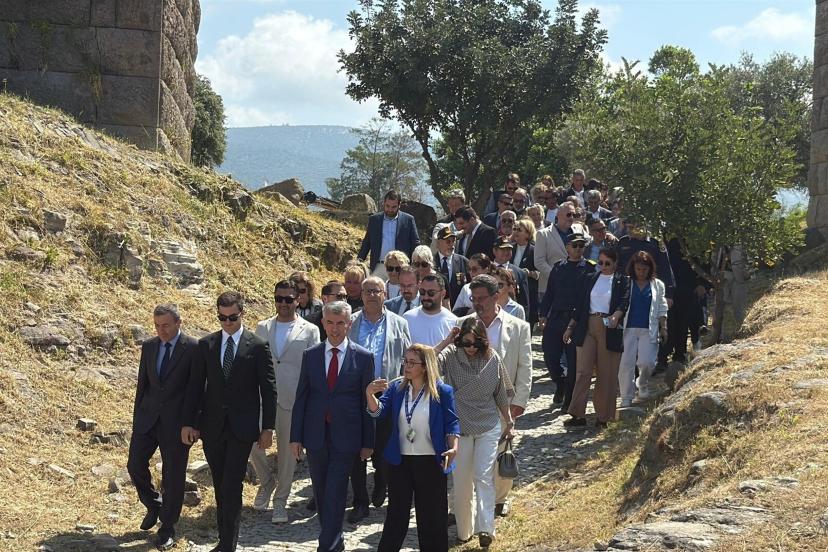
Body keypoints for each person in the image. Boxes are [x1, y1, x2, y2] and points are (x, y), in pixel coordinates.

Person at [182, 291, 277, 552]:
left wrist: (268, 428)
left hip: (242, 427)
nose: (227, 323)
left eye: (232, 318)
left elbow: (268, 390)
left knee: (232, 484)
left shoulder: (257, 345)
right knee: (220, 482)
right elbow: (195, 386)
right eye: (222, 318)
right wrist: (190, 422)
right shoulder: (206, 345)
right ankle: (224, 537)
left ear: (242, 313)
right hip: (212, 427)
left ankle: (228, 544)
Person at [290, 301, 375, 552]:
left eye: (340, 323)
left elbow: (367, 402)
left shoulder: (363, 357)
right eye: (330, 323)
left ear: (349, 324)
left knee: (335, 491)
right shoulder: (311, 355)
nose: (335, 329)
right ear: (323, 323)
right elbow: (302, 397)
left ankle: (326, 545)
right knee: (321, 491)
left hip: (346, 437)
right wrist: (295, 437)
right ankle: (335, 541)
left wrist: (368, 442)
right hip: (315, 435)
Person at [366, 345, 460, 552]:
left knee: (432, 518)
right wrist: (370, 395)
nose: (406, 366)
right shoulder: (397, 389)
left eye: (412, 363)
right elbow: (378, 413)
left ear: (425, 367)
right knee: (396, 516)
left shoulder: (442, 391)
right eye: (405, 361)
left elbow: (452, 422)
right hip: (400, 461)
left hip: (431, 462)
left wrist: (453, 447)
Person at [434, 317, 515, 548]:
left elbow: (500, 393)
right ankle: (464, 531)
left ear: (483, 342)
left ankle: (486, 528)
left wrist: (509, 421)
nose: (470, 348)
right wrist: (447, 340)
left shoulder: (492, 358)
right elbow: (428, 361)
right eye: (466, 343)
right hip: (460, 428)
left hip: (488, 425)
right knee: (461, 483)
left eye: (475, 343)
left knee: (483, 477)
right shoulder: (450, 356)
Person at [459, 274, 531, 518]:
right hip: (469, 403)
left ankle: (500, 499)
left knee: (501, 451)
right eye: (473, 298)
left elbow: (525, 366)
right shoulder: (462, 323)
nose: (477, 303)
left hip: (502, 401)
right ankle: (462, 504)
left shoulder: (518, 327)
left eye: (481, 298)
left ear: (496, 296)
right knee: (466, 456)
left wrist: (519, 401)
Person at [128, 304, 199, 551]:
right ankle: (153, 503)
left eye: (166, 325)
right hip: (147, 419)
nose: (161, 330)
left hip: (178, 424)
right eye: (157, 326)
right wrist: (137, 417)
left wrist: (192, 424)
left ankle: (167, 528)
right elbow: (143, 384)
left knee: (173, 476)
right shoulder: (149, 346)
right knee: (134, 464)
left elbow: (197, 390)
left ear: (178, 322)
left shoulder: (193, 347)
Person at [251, 280, 321, 523]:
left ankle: (281, 501)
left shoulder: (310, 330)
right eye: (279, 298)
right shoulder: (263, 327)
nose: (283, 303)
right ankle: (266, 482)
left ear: (298, 300)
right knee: (254, 445)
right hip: (264, 397)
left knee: (288, 454)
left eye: (288, 299)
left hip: (293, 399)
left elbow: (314, 367)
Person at [347, 277, 412, 523]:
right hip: (355, 394)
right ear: (361, 295)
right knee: (356, 449)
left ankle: (382, 481)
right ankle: (360, 501)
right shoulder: (351, 321)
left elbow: (406, 359)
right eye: (367, 291)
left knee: (385, 447)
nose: (372, 295)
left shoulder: (399, 323)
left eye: (377, 291)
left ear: (385, 294)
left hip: (387, 393)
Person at [563, 249, 630, 428]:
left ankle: (603, 416)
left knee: (606, 373)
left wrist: (616, 315)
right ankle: (577, 414)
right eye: (600, 263)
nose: (603, 266)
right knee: (583, 371)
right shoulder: (590, 278)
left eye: (607, 263)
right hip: (587, 324)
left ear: (615, 263)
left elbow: (624, 301)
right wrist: (570, 327)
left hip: (609, 327)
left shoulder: (622, 280)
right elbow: (580, 305)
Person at [537, 234, 596, 410]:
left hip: (575, 322)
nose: (578, 249)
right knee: (550, 356)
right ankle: (560, 383)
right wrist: (543, 315)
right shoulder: (558, 267)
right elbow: (550, 293)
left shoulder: (589, 268)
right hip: (556, 319)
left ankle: (569, 399)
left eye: (581, 246)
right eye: (575, 245)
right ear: (567, 247)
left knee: (573, 361)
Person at [619, 252, 668, 406]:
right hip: (628, 328)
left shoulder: (658, 285)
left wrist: (664, 327)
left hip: (649, 329)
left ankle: (642, 383)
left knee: (647, 362)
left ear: (650, 269)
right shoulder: (626, 283)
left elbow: (662, 307)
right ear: (633, 268)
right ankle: (626, 397)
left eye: (644, 269)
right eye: (638, 269)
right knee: (626, 364)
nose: (641, 272)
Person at [357, 190, 420, 279]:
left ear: (399, 205)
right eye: (387, 206)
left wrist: (415, 266)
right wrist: (358, 263)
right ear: (384, 203)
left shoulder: (408, 220)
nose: (390, 210)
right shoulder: (374, 220)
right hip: (378, 267)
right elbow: (366, 243)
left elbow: (415, 244)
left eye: (394, 207)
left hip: (400, 268)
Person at [615, 220, 675, 304]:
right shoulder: (623, 242)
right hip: (627, 290)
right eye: (627, 227)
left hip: (651, 290)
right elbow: (617, 267)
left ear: (641, 226)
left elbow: (665, 268)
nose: (628, 230)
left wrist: (668, 294)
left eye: (631, 228)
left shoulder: (656, 243)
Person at [535, 202, 576, 303]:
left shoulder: (579, 231)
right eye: (568, 214)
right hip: (550, 288)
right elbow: (539, 261)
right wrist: (557, 276)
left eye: (574, 215)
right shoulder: (543, 234)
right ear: (558, 215)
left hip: (574, 287)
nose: (571, 218)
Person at [403, 273, 458, 347]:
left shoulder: (453, 321)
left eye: (431, 293)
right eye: (422, 292)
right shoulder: (407, 318)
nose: (426, 297)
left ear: (443, 294)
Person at [490, 237, 530, 315]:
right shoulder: (487, 270)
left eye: (508, 249)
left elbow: (524, 302)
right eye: (503, 249)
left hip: (512, 315)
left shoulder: (520, 273)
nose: (506, 252)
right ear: (494, 251)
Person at [511, 219, 540, 325]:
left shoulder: (534, 250)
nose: (515, 232)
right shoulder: (510, 249)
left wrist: (530, 273)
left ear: (528, 233)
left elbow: (540, 274)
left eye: (519, 230)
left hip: (528, 293)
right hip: (512, 293)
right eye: (514, 229)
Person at [433, 225, 469, 309]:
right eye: (448, 242)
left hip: (459, 310)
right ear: (438, 243)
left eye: (453, 241)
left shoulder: (463, 261)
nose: (452, 245)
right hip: (436, 309)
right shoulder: (431, 262)